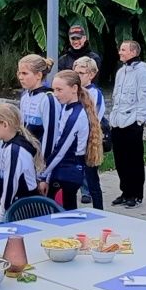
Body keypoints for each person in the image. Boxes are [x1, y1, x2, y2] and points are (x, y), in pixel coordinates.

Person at [47, 69, 103, 209]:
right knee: (62, 211)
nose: (56, 94)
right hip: (63, 170)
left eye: (59, 90)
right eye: (54, 89)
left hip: (67, 171)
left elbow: (61, 149)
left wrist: (43, 174)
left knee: (63, 213)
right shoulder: (67, 108)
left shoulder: (76, 115)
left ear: (74, 89)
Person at [109, 39, 146, 207]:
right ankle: (125, 191)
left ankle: (136, 194)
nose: (120, 52)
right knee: (120, 160)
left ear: (133, 52)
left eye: (123, 49)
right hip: (118, 122)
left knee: (134, 160)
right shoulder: (121, 72)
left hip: (132, 123)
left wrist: (139, 120)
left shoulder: (142, 72)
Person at [0, 101, 42, 217]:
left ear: (5, 125)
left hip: (24, 207)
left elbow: (10, 185)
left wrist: (2, 217)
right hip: (11, 202)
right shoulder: (2, 142)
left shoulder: (15, 150)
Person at [73, 55, 108, 207]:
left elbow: (93, 118)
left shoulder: (93, 93)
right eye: (75, 73)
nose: (77, 76)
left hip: (89, 141)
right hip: (75, 141)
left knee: (92, 179)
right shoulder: (74, 90)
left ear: (91, 75)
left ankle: (99, 210)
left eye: (81, 73)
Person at [18, 55, 61, 163]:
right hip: (26, 155)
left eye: (25, 73)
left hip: (41, 159)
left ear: (39, 75)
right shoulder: (25, 96)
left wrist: (43, 164)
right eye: (19, 73)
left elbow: (51, 134)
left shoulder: (48, 98)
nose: (20, 77)